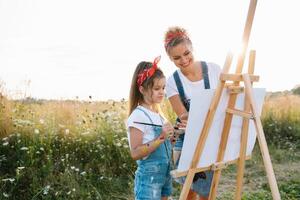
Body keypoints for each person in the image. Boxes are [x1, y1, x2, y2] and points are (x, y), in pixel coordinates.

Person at [164, 26, 221, 200]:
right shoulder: (172, 81)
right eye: (177, 58)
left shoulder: (214, 69)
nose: (184, 60)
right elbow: (183, 115)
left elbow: (226, 101)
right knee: (189, 191)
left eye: (187, 53)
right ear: (170, 59)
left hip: (211, 137)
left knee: (207, 191)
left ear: (192, 48)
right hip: (186, 138)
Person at [127, 56, 175, 200]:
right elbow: (135, 153)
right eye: (156, 88)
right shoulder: (138, 115)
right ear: (142, 89)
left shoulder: (159, 115)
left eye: (163, 88)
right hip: (149, 178)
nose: (162, 92)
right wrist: (161, 137)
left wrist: (171, 138)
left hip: (165, 174)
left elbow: (162, 145)